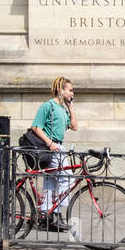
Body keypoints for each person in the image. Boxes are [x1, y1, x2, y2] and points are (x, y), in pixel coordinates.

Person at [29, 76, 78, 231]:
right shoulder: (48, 106)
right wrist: (50, 144)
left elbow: (74, 126)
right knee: (68, 179)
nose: (72, 93)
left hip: (58, 147)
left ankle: (45, 216)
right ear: (60, 90)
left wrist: (71, 106)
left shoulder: (62, 109)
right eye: (70, 90)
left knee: (51, 184)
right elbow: (36, 127)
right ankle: (55, 214)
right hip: (51, 147)